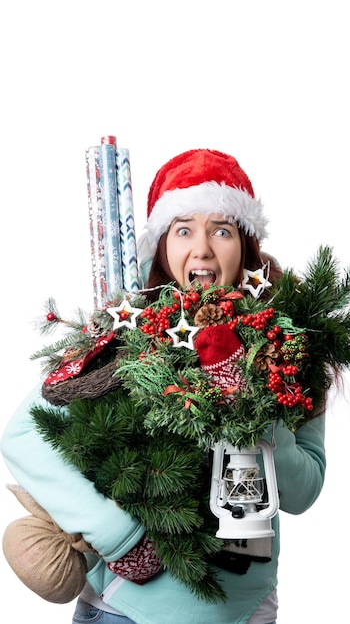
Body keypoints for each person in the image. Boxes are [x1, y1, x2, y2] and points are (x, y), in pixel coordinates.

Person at [0, 149, 326, 624]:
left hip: (246, 612)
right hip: (124, 609)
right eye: (184, 229)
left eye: (221, 229)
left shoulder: (286, 348)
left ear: (246, 246)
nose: (203, 248)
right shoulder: (128, 334)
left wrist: (256, 410)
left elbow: (304, 491)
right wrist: (117, 535)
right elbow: (24, 436)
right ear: (164, 246)